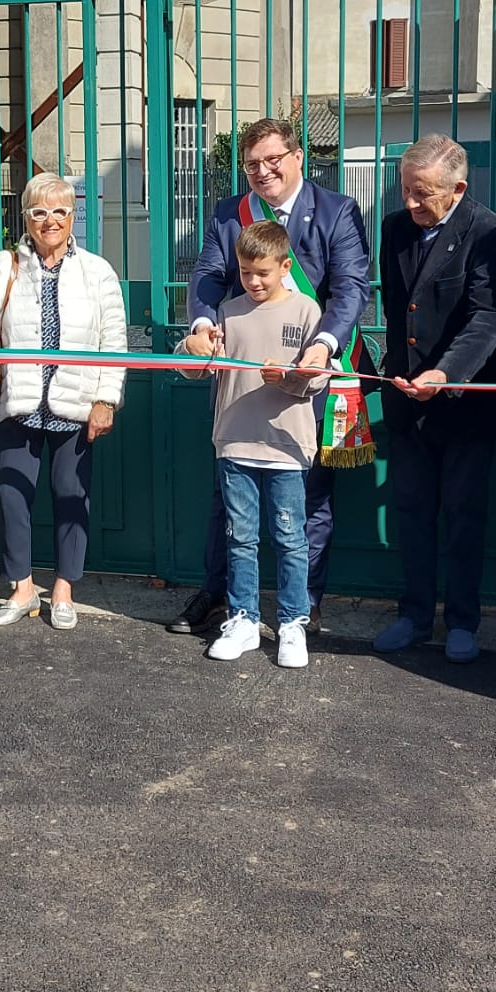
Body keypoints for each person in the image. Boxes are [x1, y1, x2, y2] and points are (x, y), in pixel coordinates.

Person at [174, 117, 370, 639]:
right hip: (244, 378)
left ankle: (301, 609)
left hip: (316, 369)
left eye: (272, 159)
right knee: (229, 497)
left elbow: (350, 287)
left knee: (309, 497)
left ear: (298, 155)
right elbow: (209, 275)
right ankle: (220, 599)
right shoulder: (229, 213)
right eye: (252, 164)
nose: (262, 172)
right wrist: (202, 324)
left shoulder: (336, 210)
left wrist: (323, 346)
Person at [371, 135, 496, 662]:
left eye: (423, 194)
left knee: (463, 513)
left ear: (457, 188)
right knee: (411, 510)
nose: (411, 203)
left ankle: (462, 619)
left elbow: (488, 318)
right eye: (406, 190)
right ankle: (413, 614)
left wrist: (445, 372)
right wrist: (397, 374)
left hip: (464, 401)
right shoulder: (394, 228)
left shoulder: (492, 233)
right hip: (407, 397)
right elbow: (395, 312)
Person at [0, 173, 128, 630]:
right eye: (39, 211)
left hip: (76, 403)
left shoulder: (96, 270)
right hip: (22, 400)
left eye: (59, 211)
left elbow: (114, 340)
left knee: (72, 496)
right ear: (26, 217)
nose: (49, 220)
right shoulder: (6, 263)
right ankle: (21, 589)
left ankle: (63, 591)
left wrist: (106, 400)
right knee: (13, 496)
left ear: (73, 216)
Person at [183, 220, 328, 668]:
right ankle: (243, 619)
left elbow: (319, 379)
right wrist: (192, 348)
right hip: (234, 443)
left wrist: (287, 380)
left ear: (286, 266)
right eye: (246, 272)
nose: (254, 281)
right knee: (240, 537)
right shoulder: (227, 312)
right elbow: (196, 369)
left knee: (289, 538)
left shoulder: (307, 311)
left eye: (262, 272)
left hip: (287, 447)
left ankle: (291, 623)